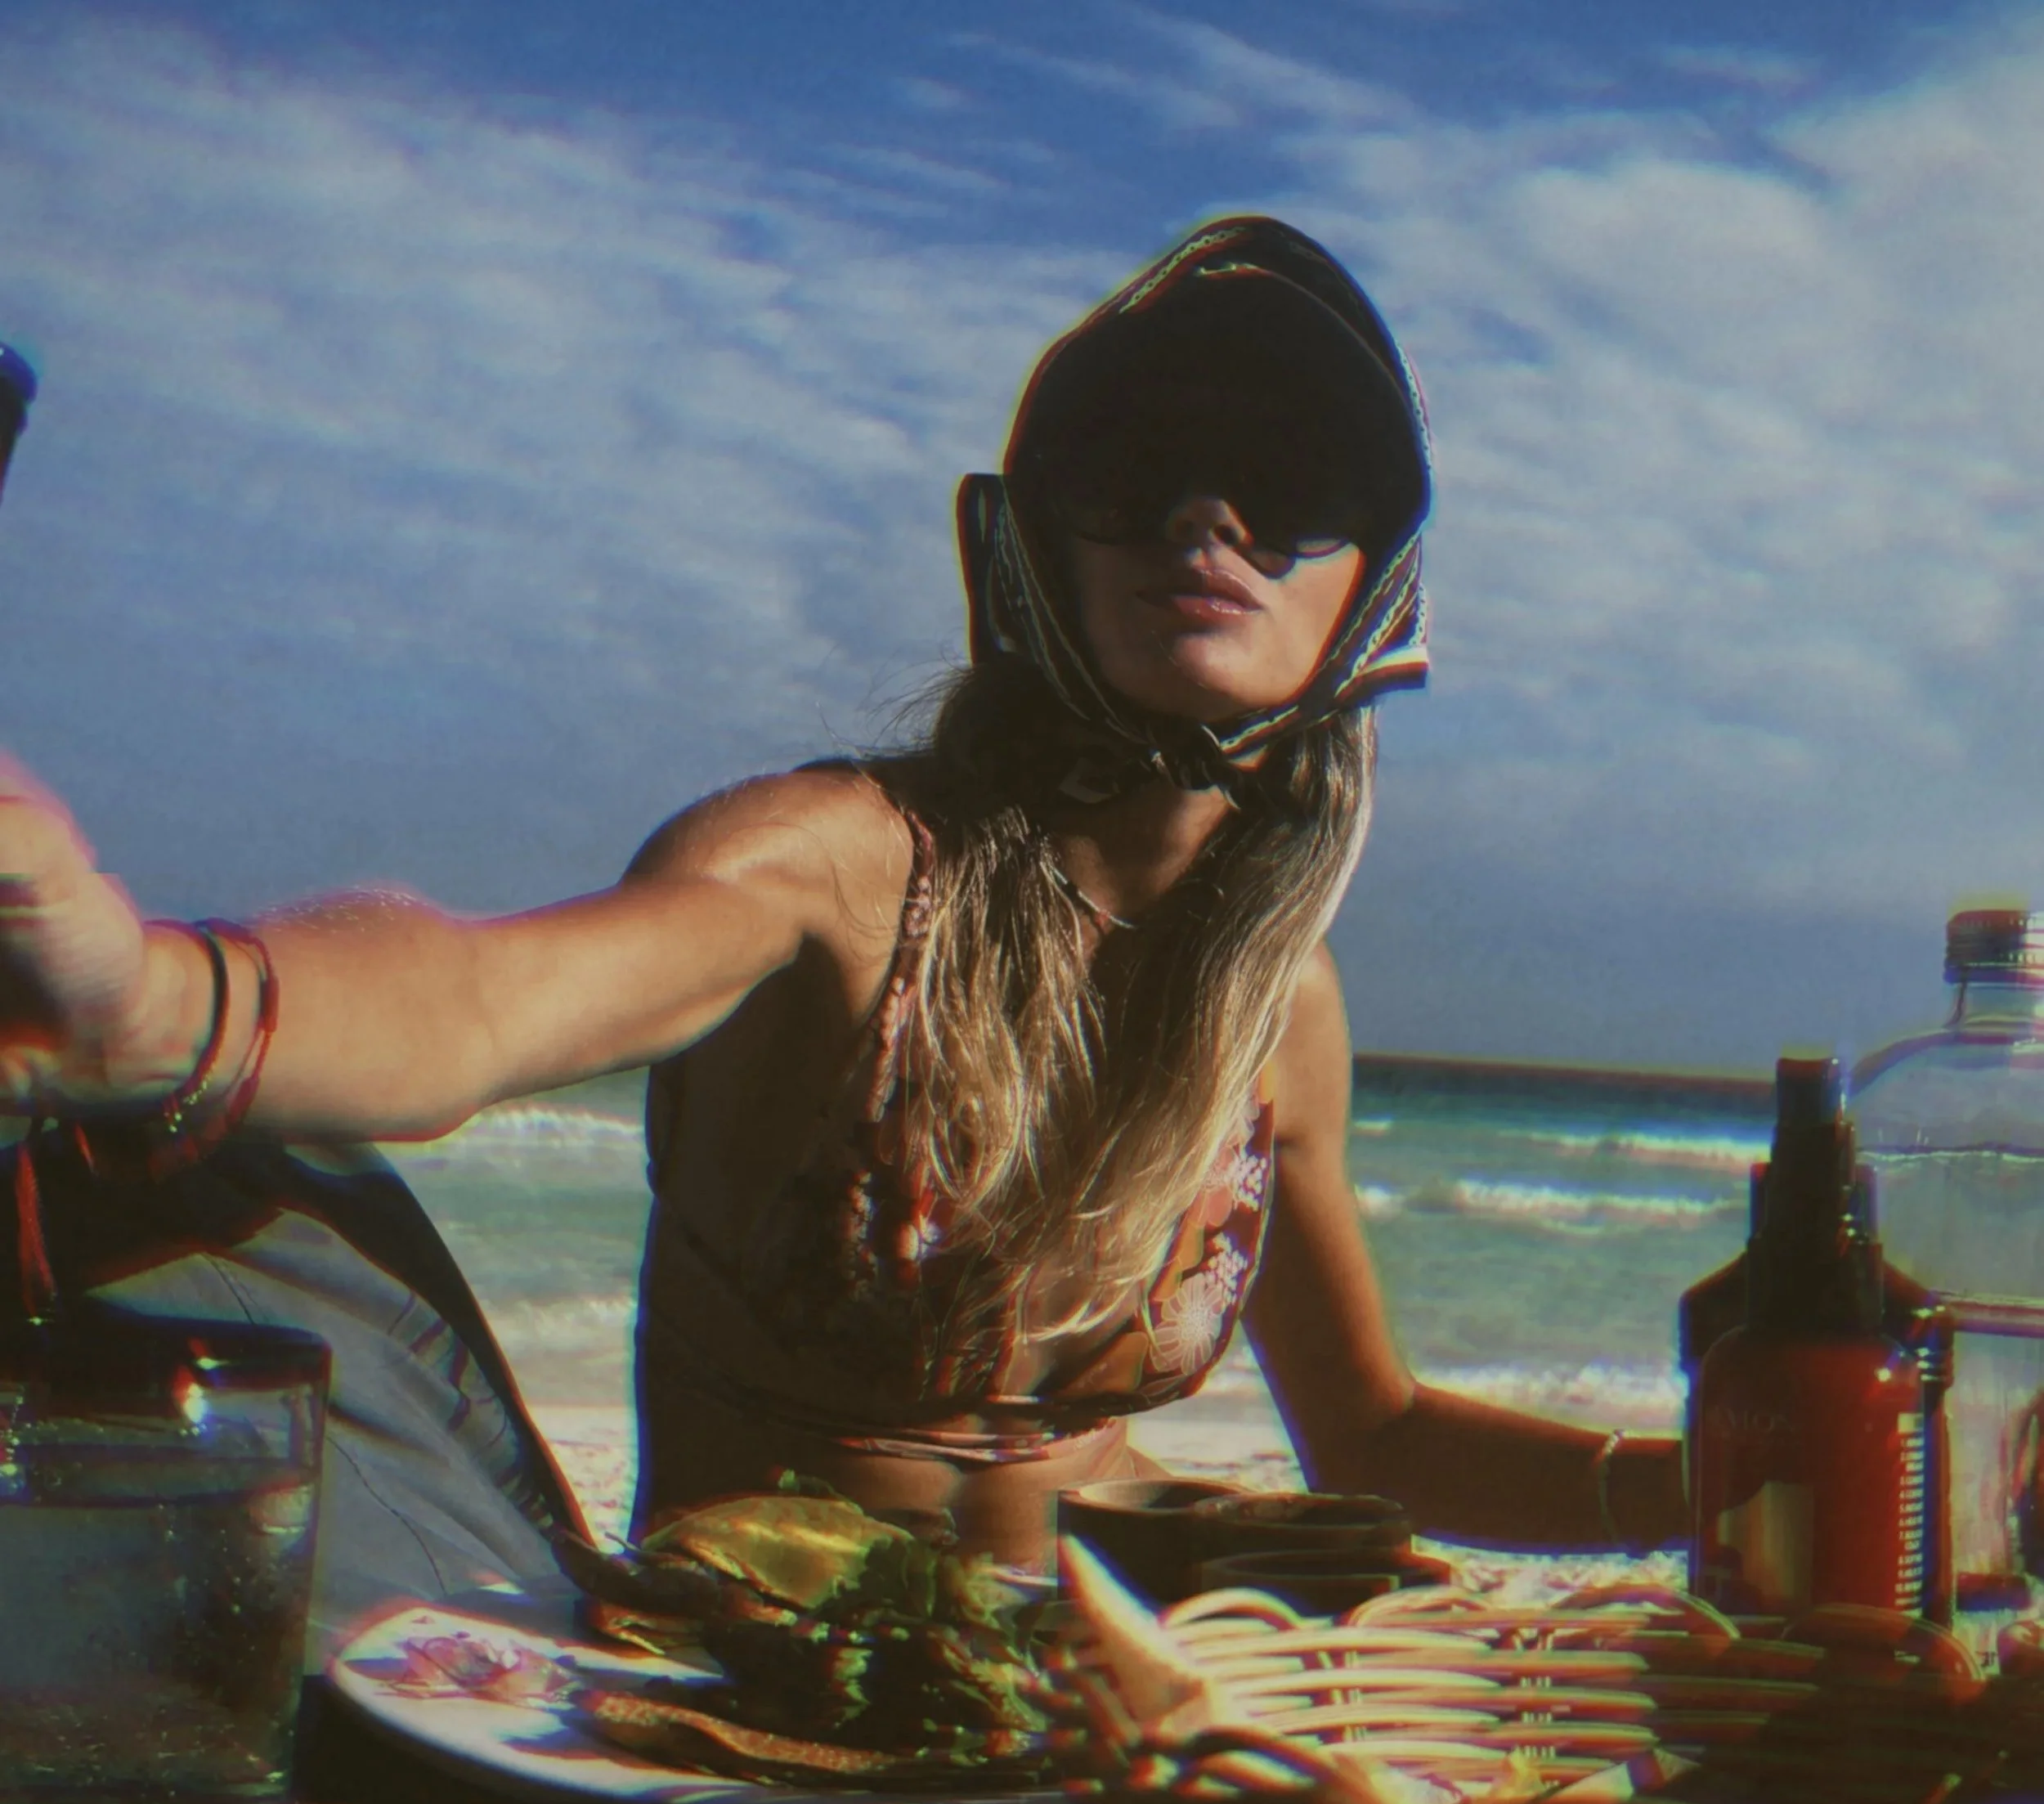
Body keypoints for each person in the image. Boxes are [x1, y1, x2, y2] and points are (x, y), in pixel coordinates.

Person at [1, 218, 1686, 1663]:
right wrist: (149, 998)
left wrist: (1697, 1486)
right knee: (188, 1180)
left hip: (1095, 1691)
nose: (1205, 518)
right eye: (1133, 469)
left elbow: (1373, 1431)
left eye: (1290, 483)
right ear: (1035, 542)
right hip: (737, 1679)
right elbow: (481, 1000)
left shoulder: (1275, 1007)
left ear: (1373, 584)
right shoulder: (839, 867)